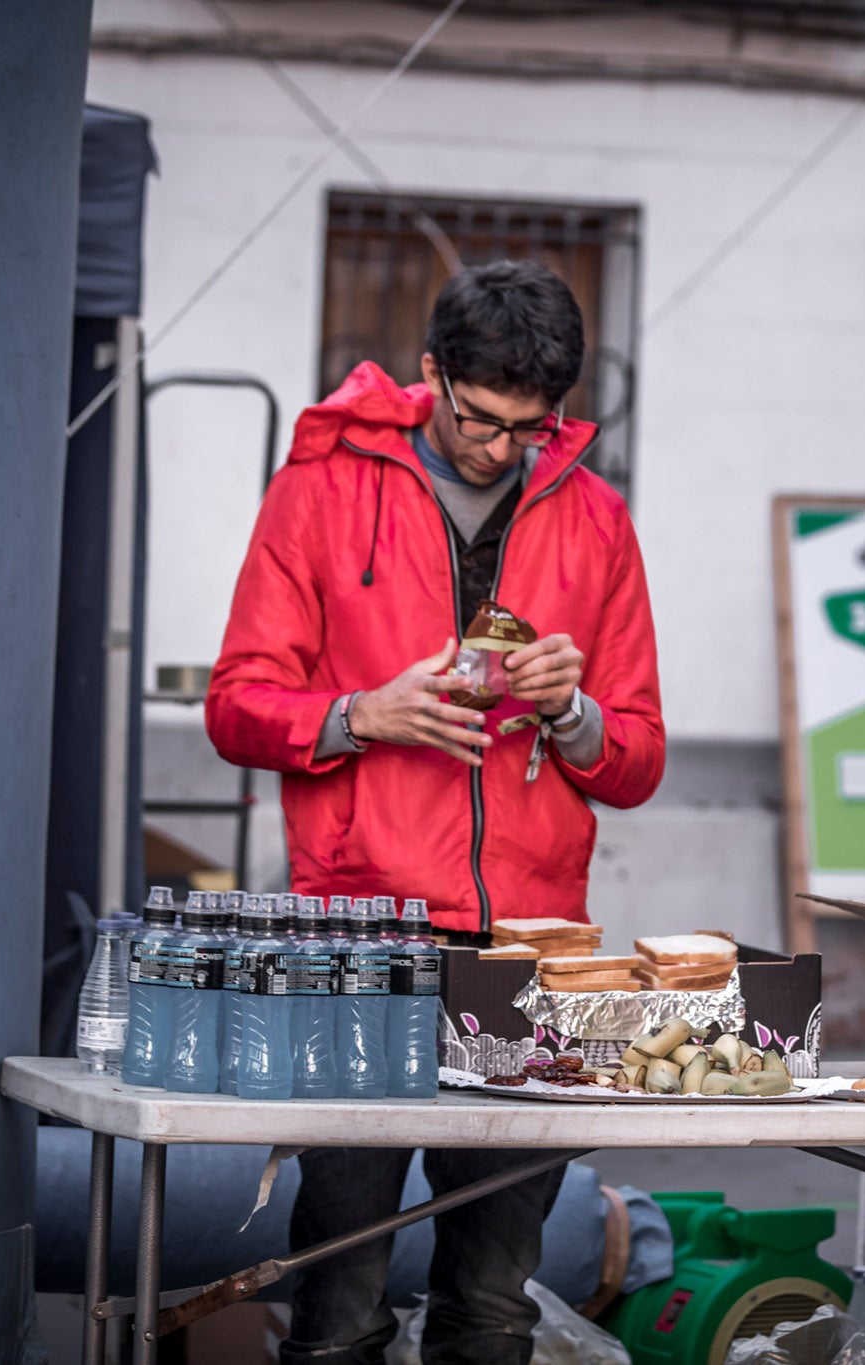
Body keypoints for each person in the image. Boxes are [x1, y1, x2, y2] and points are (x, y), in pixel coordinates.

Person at [207, 259, 664, 1364]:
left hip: (530, 950)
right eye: (477, 419)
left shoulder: (597, 521)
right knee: (342, 1302)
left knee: (494, 1306)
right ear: (429, 374)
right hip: (364, 942)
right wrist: (365, 714)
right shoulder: (318, 491)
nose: (499, 448)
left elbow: (638, 758)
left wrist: (572, 715)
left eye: (527, 428)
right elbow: (234, 708)